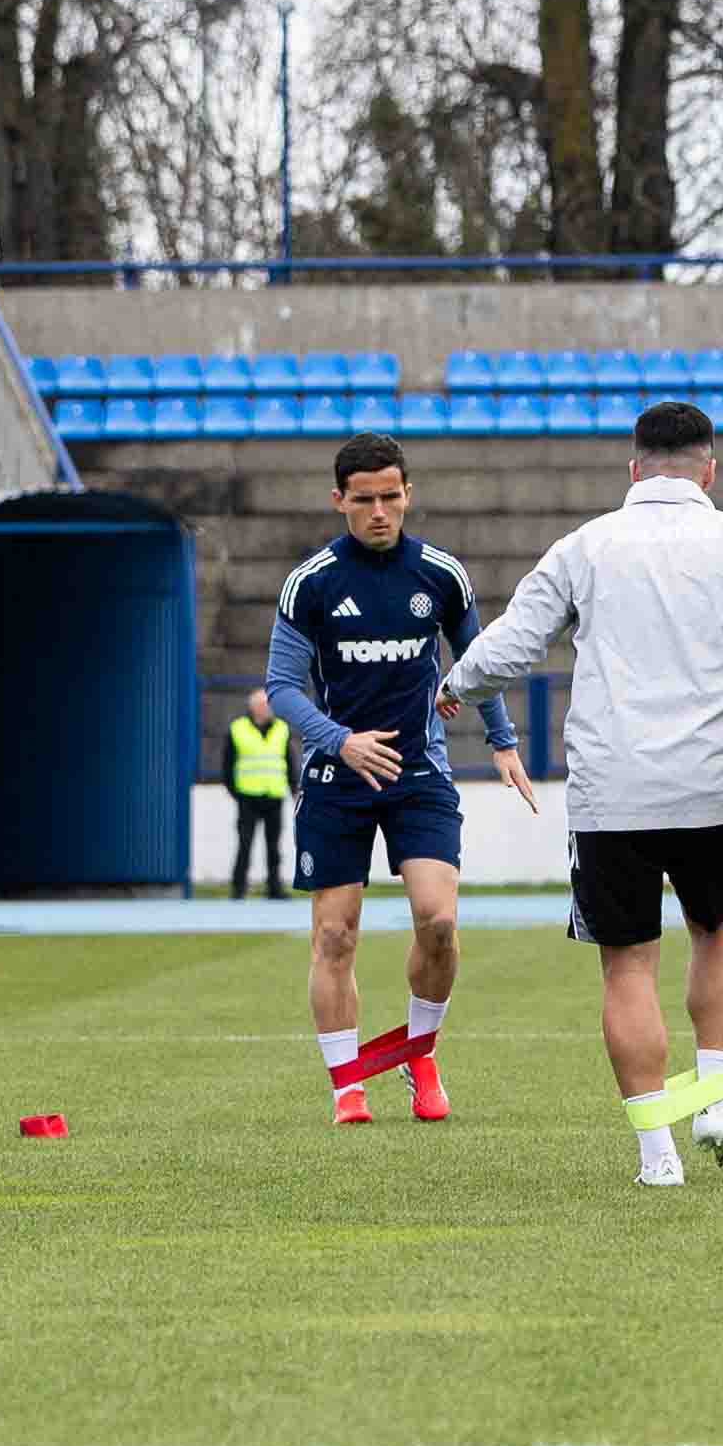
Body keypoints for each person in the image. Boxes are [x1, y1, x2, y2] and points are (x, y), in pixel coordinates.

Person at [441, 400, 723, 1189]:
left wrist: (457, 685)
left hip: (615, 791)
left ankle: (658, 1157)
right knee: (717, 926)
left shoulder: (587, 546)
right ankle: (714, 1102)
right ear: (710, 470)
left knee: (627, 969)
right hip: (713, 786)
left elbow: (513, 639)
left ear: (633, 469)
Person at [269, 431, 533, 1124]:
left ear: (407, 494)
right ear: (339, 501)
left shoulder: (440, 575)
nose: (379, 511)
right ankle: (347, 1085)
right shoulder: (312, 582)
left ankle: (421, 1053)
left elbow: (477, 663)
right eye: (364, 500)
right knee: (335, 935)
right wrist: (340, 741)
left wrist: (502, 742)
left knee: (438, 920)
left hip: (419, 771)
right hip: (335, 776)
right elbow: (281, 688)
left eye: (391, 497)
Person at [222, 689, 294, 898]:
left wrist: (293, 787)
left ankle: (274, 887)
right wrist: (235, 792)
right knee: (244, 844)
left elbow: (289, 761)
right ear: (253, 707)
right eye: (263, 705)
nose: (267, 709)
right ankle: (238, 888)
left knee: (274, 846)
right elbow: (228, 764)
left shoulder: (281, 728)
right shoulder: (238, 728)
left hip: (274, 795)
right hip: (248, 797)